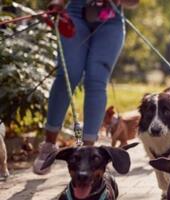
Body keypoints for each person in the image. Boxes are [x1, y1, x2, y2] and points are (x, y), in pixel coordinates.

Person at [33, 0, 138, 175]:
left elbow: (133, 2)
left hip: (110, 19)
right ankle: (49, 145)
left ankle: (88, 153)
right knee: (68, 74)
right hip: (75, 13)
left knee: (96, 80)